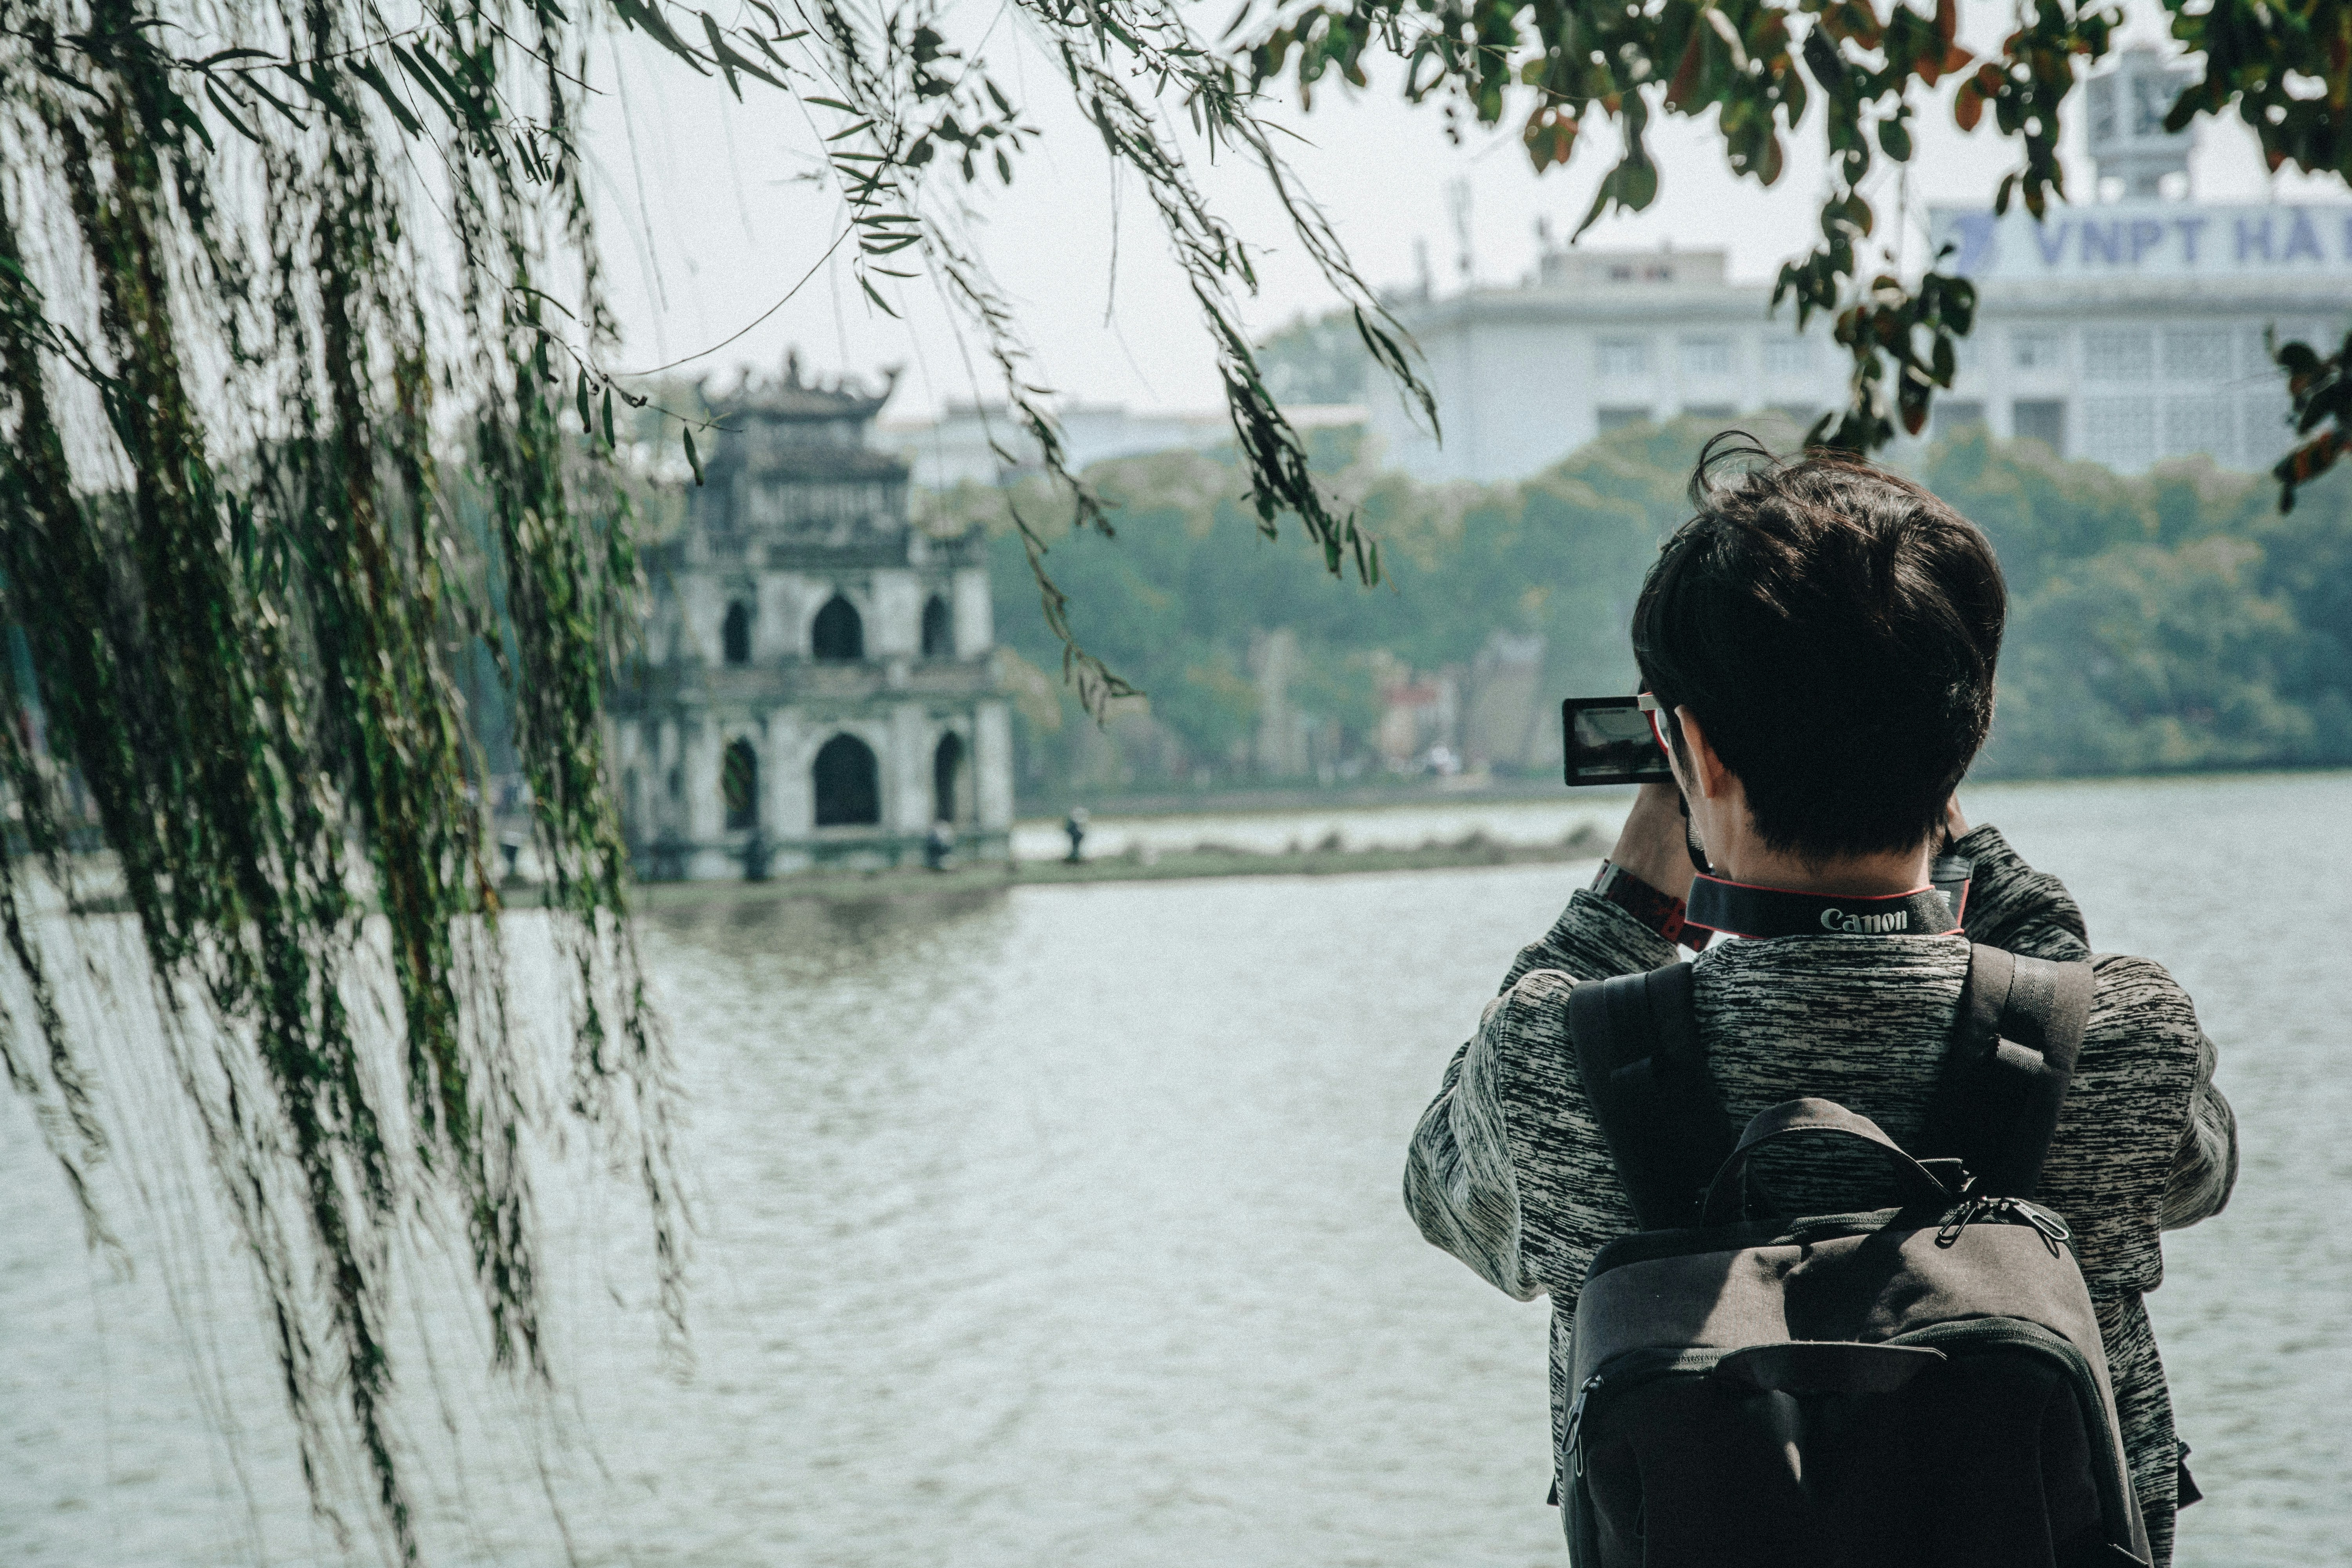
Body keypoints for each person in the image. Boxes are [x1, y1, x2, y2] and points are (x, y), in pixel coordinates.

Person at [1404, 441, 2238, 1566]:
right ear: (1967, 731)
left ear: (1690, 744)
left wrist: (1630, 892)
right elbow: (2196, 1161)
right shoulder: (2131, 1040)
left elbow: (1442, 1184)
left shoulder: (1556, 1062)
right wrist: (1974, 846)